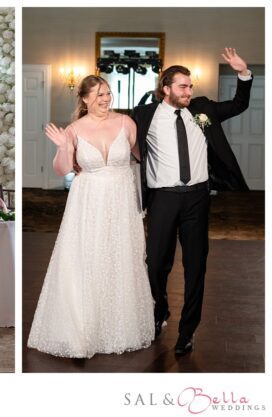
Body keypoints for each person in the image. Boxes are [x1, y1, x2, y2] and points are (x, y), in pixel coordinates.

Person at [132, 48, 252, 355]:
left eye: (191, 85)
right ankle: (160, 311)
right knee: (156, 263)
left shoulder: (203, 109)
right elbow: (122, 138)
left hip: (197, 199)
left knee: (195, 266)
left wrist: (243, 73)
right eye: (183, 86)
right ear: (166, 89)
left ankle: (187, 332)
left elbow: (240, 104)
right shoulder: (144, 115)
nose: (189, 91)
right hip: (162, 199)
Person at [27, 75, 154, 358]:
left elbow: (141, 158)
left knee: (120, 257)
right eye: (99, 95)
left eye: (108, 94)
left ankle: (119, 325)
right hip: (88, 203)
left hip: (121, 202)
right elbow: (62, 170)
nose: (106, 100)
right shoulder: (73, 130)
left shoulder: (126, 123)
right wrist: (63, 147)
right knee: (88, 258)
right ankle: (83, 327)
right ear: (84, 99)